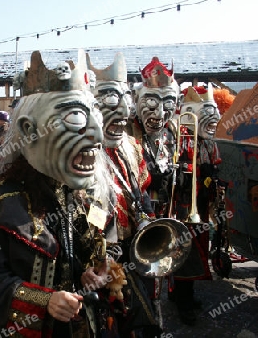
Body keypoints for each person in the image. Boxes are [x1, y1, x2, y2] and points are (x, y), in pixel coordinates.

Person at [0, 50, 107, 337]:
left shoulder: (72, 192)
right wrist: (45, 300)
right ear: (29, 130)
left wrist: (85, 273)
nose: (97, 135)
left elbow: (67, 256)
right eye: (76, 118)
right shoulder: (3, 203)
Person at [87, 52, 162, 337]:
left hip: (133, 243)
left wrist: (147, 220)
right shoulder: (81, 152)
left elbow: (139, 189)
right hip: (101, 253)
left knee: (141, 308)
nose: (121, 113)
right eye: (108, 101)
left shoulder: (130, 145)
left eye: (123, 101)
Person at [168, 84, 222, 325]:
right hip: (184, 205)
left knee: (197, 250)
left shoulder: (209, 143)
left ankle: (185, 294)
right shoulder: (182, 140)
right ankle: (182, 300)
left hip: (199, 206)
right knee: (185, 252)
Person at [129, 57, 183, 219]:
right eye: (151, 102)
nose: (159, 114)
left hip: (165, 207)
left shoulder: (173, 132)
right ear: (135, 98)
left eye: (168, 104)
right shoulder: (126, 133)